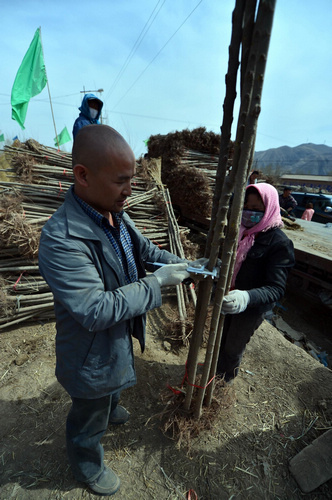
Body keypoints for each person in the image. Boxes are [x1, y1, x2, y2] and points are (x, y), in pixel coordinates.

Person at [38, 125, 205, 496]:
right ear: (83, 175)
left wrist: (186, 267)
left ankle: (111, 407)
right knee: (89, 408)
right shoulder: (61, 239)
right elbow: (95, 310)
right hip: (87, 347)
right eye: (121, 181)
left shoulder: (113, 212)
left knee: (113, 373)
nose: (130, 190)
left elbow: (147, 252)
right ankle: (86, 465)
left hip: (115, 335)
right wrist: (158, 283)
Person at [216, 183, 295, 383]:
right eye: (247, 207)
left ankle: (225, 379)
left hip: (251, 307)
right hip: (230, 297)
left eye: (258, 209)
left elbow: (276, 288)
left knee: (233, 346)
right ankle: (215, 370)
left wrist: (246, 296)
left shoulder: (279, 243)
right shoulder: (241, 232)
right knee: (221, 337)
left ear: (269, 208)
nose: (250, 213)